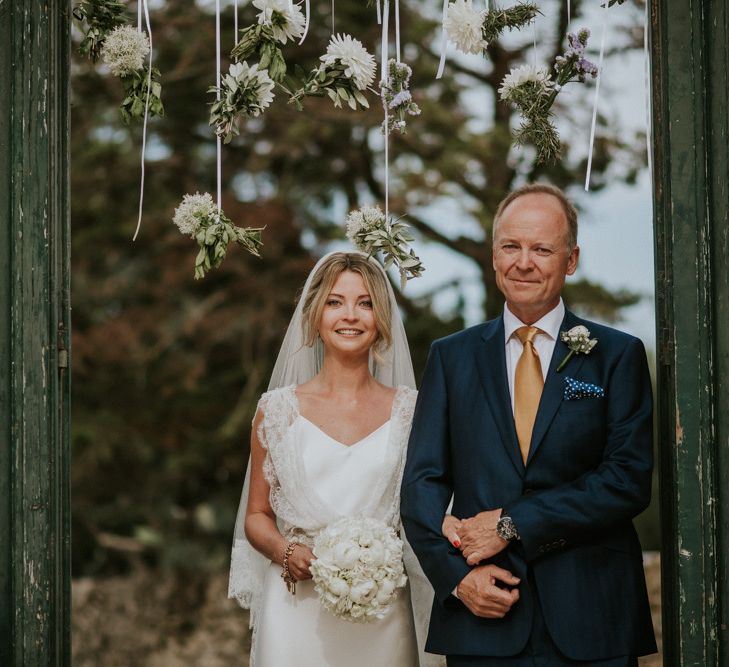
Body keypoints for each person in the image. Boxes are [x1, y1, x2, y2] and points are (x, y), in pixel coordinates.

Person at [401, 183, 657, 666]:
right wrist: (456, 578)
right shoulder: (450, 357)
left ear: (571, 259)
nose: (524, 262)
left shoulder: (617, 356)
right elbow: (422, 485)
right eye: (511, 246)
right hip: (483, 617)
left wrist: (512, 523)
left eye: (542, 249)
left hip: (594, 616)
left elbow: (626, 481)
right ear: (494, 255)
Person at [228, 251, 437, 666]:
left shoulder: (412, 412)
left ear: (381, 319)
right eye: (335, 302)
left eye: (365, 303)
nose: (351, 315)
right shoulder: (276, 410)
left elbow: (428, 509)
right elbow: (256, 516)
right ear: (315, 314)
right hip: (295, 610)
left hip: (382, 611)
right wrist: (287, 552)